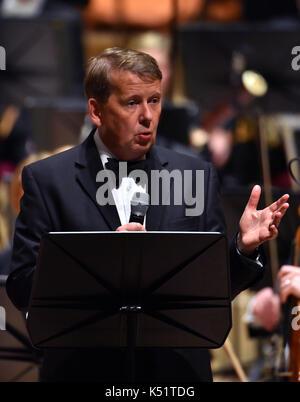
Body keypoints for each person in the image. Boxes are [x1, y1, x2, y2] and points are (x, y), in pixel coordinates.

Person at [6, 47, 289, 382]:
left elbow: (212, 291)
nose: (148, 116)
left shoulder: (195, 175)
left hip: (175, 375)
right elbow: (23, 285)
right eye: (131, 103)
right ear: (96, 111)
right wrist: (103, 258)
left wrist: (242, 248)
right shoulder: (47, 179)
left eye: (154, 100)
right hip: (84, 372)